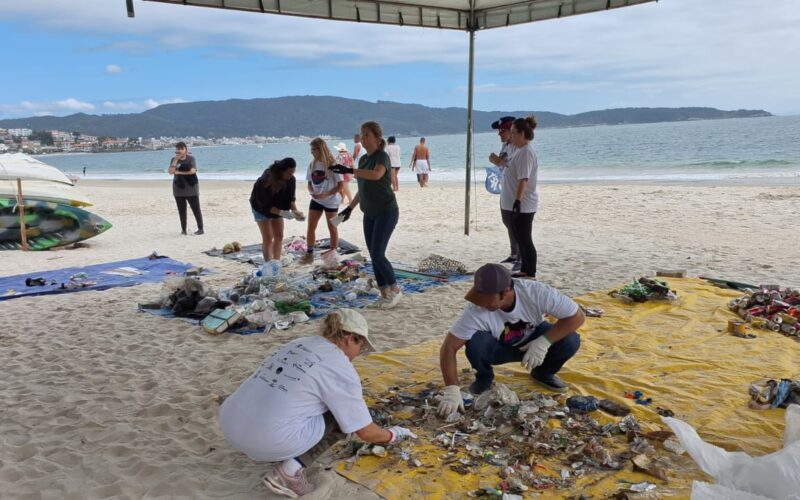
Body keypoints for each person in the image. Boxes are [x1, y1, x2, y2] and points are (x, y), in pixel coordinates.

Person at [219, 309, 417, 498]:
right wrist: (393, 435)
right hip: (266, 439)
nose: (358, 354)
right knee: (341, 418)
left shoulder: (299, 343)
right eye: (361, 346)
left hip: (229, 425)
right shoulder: (339, 365)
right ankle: (289, 471)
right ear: (349, 338)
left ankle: (273, 449)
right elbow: (364, 431)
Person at [436, 263, 584, 418]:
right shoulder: (476, 310)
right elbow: (449, 347)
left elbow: (578, 316)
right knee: (475, 341)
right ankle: (484, 378)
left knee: (570, 339)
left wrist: (544, 342)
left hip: (533, 341)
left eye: (487, 298)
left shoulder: (536, 293)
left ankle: (543, 373)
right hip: (499, 348)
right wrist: (451, 389)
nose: (482, 303)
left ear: (506, 291)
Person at [330, 122, 402, 309]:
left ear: (377, 139)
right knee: (373, 254)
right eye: (362, 135)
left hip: (386, 211)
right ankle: (383, 292)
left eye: (367, 135)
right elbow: (362, 189)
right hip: (368, 213)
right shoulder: (363, 160)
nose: (363, 138)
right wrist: (349, 209)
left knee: (378, 253)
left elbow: (376, 175)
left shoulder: (382, 157)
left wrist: (349, 170)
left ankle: (395, 290)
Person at [502, 116, 539, 278]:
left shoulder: (526, 153)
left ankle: (530, 270)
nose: (512, 136)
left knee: (525, 238)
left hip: (524, 203)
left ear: (523, 134)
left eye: (514, 133)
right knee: (520, 236)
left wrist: (517, 201)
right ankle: (525, 268)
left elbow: (523, 179)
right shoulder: (520, 151)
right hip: (515, 202)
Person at [249, 158, 305, 262]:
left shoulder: (291, 179)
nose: (290, 176)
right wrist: (282, 213)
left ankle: (276, 261)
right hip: (260, 207)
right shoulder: (266, 180)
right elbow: (265, 205)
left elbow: (291, 199)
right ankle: (269, 263)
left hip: (278, 206)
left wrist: (295, 212)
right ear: (281, 171)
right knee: (268, 237)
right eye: (288, 173)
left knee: (279, 236)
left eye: (293, 173)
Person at [300, 138, 344, 265]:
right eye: (311, 150)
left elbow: (340, 185)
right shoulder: (312, 163)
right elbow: (309, 182)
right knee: (311, 227)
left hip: (331, 201)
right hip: (316, 200)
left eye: (313, 149)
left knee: (332, 228)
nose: (311, 152)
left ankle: (333, 255)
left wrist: (327, 194)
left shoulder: (332, 164)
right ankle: (309, 254)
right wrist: (311, 191)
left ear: (321, 149)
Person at [488, 116, 520, 270]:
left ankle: (520, 256)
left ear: (511, 131)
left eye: (502, 131)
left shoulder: (517, 146)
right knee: (507, 221)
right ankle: (514, 253)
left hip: (515, 190)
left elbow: (512, 165)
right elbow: (502, 164)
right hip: (506, 189)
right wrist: (497, 161)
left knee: (517, 224)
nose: (499, 134)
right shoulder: (506, 146)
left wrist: (498, 161)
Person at [168, 141, 204, 235]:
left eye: (181, 149)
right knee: (182, 211)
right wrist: (176, 160)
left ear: (185, 150)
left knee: (196, 209)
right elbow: (171, 172)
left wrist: (179, 172)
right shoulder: (173, 159)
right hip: (178, 189)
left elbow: (192, 171)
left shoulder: (191, 159)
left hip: (191, 188)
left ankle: (200, 229)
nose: (179, 151)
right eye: (177, 149)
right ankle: (183, 230)